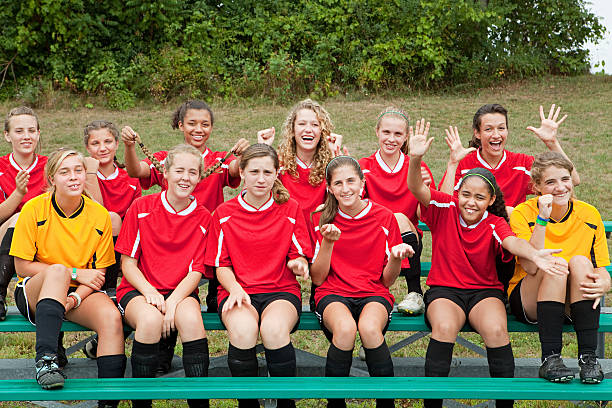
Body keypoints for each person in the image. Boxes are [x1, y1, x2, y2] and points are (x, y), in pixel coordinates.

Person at [407, 121, 568, 408]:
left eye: (480, 197)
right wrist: (416, 158)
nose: (471, 202)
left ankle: (504, 404)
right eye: (466, 194)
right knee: (443, 326)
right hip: (445, 290)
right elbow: (417, 188)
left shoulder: (494, 222)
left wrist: (534, 253)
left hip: (484, 292)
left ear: (491, 199)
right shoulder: (445, 207)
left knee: (496, 330)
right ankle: (433, 404)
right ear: (458, 193)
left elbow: (510, 243)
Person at [121, 99, 249, 370]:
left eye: (205, 124)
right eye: (191, 123)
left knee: (191, 313)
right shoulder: (145, 203)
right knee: (154, 315)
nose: (198, 128)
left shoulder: (216, 167)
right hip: (153, 275)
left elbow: (240, 171)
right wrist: (130, 146)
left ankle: (195, 394)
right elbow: (136, 171)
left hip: (199, 254)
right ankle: (156, 363)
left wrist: (246, 153)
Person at [10, 148, 124, 408]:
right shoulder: (34, 209)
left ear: (86, 175)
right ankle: (46, 362)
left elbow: (98, 275)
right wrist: (73, 272)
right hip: (35, 290)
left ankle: (109, 399)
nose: (73, 177)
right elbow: (22, 267)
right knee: (59, 270)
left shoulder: (99, 215)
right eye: (64, 172)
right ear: (51, 179)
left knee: (111, 318)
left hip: (79, 291)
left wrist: (73, 298)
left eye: (78, 170)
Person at [205, 143, 312, 408]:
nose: (261, 179)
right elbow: (221, 265)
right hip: (237, 290)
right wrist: (235, 289)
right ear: (241, 172)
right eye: (254, 171)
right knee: (243, 330)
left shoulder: (290, 209)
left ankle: (286, 403)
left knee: (273, 330)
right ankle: (248, 403)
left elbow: (297, 254)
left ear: (277, 173)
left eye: (267, 171)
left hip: (280, 291)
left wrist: (298, 264)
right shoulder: (224, 213)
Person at [310, 155, 413, 408]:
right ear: (330, 189)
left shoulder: (385, 217)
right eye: (338, 184)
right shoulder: (321, 218)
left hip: (373, 292)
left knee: (369, 328)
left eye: (351, 181)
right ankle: (335, 403)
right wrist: (328, 242)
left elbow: (387, 282)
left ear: (362, 183)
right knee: (345, 329)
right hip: (333, 293)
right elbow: (318, 278)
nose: (346, 189)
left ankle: (385, 402)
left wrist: (396, 258)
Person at [115, 144, 212, 408]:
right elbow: (128, 264)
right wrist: (151, 293)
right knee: (149, 321)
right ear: (165, 173)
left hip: (181, 291)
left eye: (193, 172)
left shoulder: (204, 217)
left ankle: (199, 403)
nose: (185, 177)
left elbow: (196, 271)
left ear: (200, 177)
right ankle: (142, 403)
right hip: (140, 288)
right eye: (179, 170)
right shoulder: (142, 207)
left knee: (192, 320)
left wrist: (172, 303)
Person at [508, 151, 610, 384]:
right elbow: (530, 266)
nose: (560, 187)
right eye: (550, 182)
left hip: (570, 302)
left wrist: (604, 282)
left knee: (581, 262)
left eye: (564, 179)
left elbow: (601, 268)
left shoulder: (589, 213)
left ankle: (588, 359)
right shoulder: (524, 212)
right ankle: (550, 358)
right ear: (536, 187)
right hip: (530, 298)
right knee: (556, 263)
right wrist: (543, 219)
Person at [358, 107, 436, 316]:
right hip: (372, 239)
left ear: (406, 137)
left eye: (398, 134)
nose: (391, 139)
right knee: (391, 217)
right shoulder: (363, 167)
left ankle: (414, 293)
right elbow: (355, 209)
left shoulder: (416, 167)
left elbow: (426, 216)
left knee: (398, 217)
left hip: (407, 242)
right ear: (377, 132)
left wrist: (424, 192)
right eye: (386, 132)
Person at [439, 103, 580, 215]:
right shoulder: (464, 164)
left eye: (501, 128)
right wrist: (452, 164)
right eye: (488, 129)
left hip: (513, 238)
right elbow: (442, 205)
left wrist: (552, 143)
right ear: (477, 133)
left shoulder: (522, 163)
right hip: (474, 236)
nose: (496, 135)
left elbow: (573, 180)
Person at [0, 107, 48, 320]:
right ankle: (0, 292)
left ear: (38, 133)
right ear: (7, 136)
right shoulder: (1, 168)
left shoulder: (50, 166)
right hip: (6, 238)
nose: (26, 136)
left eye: (31, 130)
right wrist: (18, 194)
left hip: (44, 239)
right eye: (19, 131)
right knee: (20, 219)